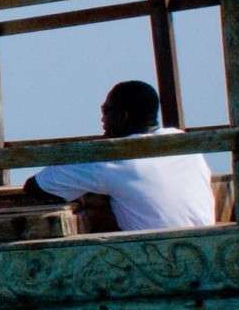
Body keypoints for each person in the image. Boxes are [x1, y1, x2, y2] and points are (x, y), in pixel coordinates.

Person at [22, 80, 216, 231]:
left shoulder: (113, 157)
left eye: (106, 111)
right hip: (208, 247)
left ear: (122, 117)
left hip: (154, 258)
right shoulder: (182, 141)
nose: (102, 118)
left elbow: (37, 187)